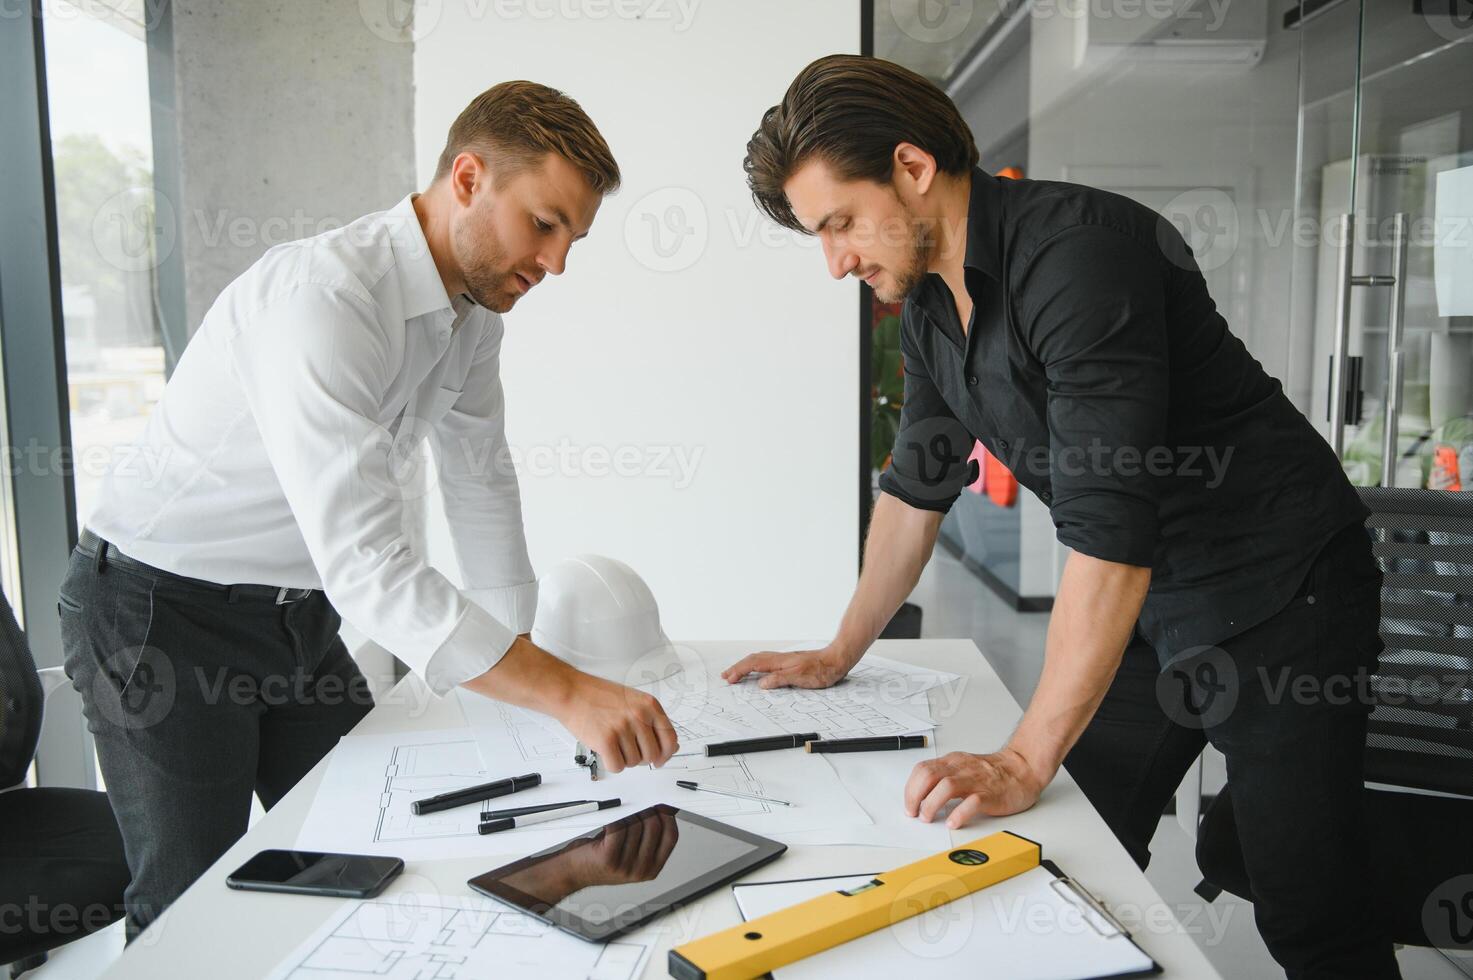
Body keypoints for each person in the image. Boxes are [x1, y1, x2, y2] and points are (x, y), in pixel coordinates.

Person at [724, 55, 1397, 979]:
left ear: (913, 169)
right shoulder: (927, 304)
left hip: (1282, 597)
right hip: (1150, 606)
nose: (835, 259)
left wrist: (1022, 756)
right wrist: (841, 651)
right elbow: (918, 487)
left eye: (839, 222)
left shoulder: (1079, 255)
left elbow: (1108, 528)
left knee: (1310, 916)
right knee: (1050, 844)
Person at [61, 80, 678, 940]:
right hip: (160, 613)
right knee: (191, 910)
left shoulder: (473, 321)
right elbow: (369, 566)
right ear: (468, 179)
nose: (557, 262)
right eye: (544, 224)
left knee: (375, 845)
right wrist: (567, 691)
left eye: (573, 236)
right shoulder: (323, 301)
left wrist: (525, 695)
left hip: (296, 615)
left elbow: (480, 486)